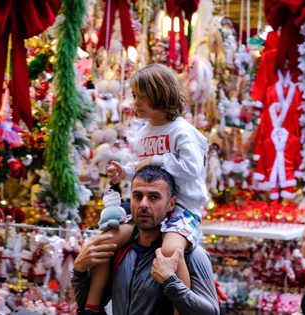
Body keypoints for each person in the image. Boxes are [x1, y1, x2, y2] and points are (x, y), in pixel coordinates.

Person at [86, 63, 208, 314]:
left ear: (161, 95)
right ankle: (92, 307)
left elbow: (191, 168)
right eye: (135, 96)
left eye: (142, 97)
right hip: (150, 207)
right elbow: (143, 167)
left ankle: (180, 309)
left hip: (182, 208)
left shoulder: (183, 132)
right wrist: (127, 171)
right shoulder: (144, 133)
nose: (136, 102)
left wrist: (155, 160)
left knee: (170, 250)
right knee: (105, 241)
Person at [72, 165, 219, 314]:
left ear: (171, 204)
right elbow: (89, 307)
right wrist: (79, 270)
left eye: (154, 197)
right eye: (138, 196)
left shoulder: (191, 255)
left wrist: (171, 282)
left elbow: (212, 312)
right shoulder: (120, 250)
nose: (143, 204)